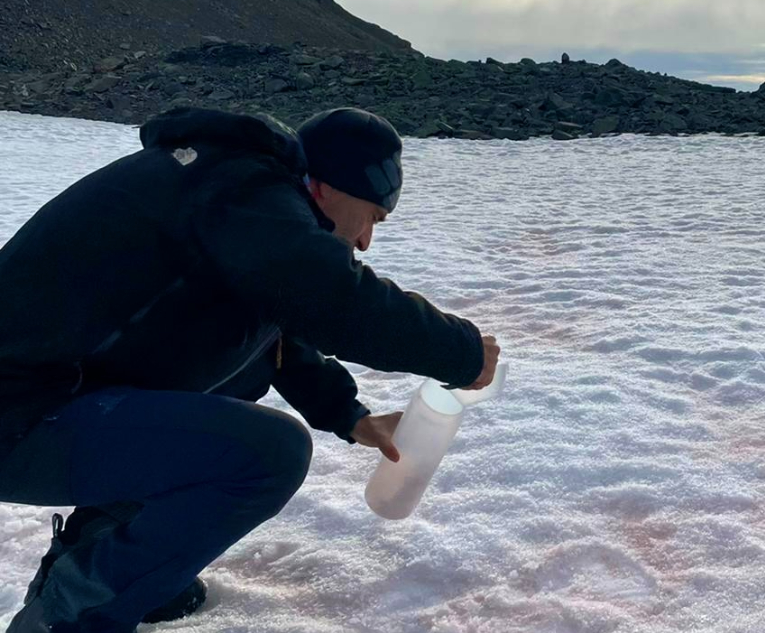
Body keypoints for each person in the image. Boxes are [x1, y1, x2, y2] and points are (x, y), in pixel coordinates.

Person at [0, 106, 501, 632]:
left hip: (41, 398)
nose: (365, 241)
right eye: (374, 216)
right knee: (265, 455)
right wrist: (462, 352)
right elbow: (329, 298)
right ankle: (70, 615)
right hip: (21, 415)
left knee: (231, 382)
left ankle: (130, 569)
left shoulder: (230, 192)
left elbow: (268, 327)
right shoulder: (240, 187)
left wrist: (349, 415)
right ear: (330, 187)